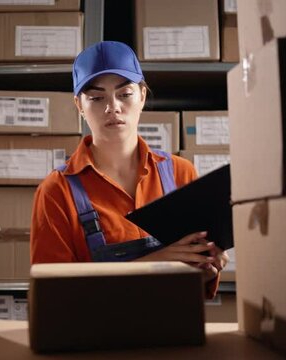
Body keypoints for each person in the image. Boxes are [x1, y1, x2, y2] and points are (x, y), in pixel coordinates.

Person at [29, 41, 229, 299]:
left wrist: (207, 269)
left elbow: (200, 286)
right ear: (79, 105)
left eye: (125, 94)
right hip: (96, 337)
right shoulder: (57, 191)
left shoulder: (181, 173)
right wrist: (156, 265)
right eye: (97, 97)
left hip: (176, 330)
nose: (113, 107)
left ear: (142, 96)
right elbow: (52, 296)